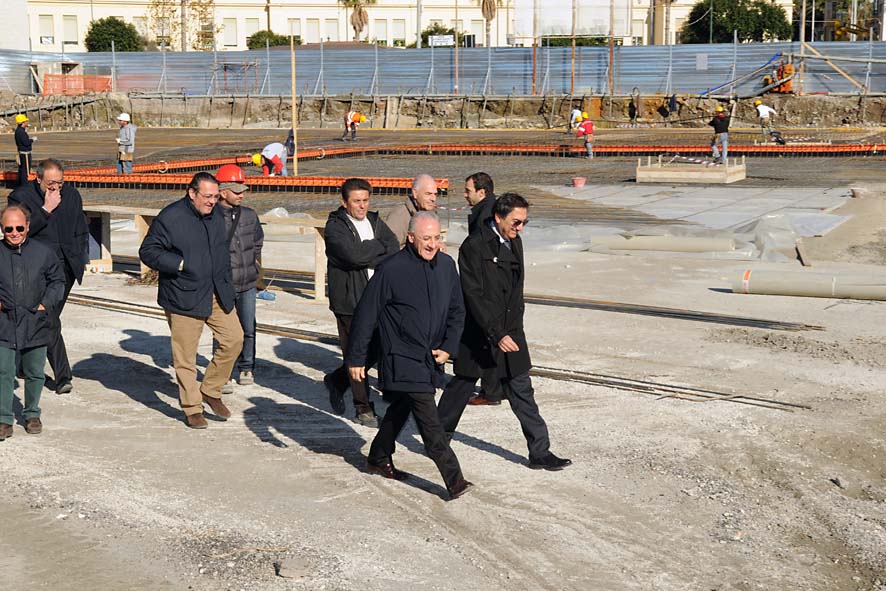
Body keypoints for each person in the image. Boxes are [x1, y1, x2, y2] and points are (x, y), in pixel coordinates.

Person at [437, 193, 572, 471]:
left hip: (511, 330)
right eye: (516, 222)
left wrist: (510, 330)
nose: (520, 228)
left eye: (524, 222)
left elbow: (514, 291)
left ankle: (540, 452)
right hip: (480, 332)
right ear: (498, 217)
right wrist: (495, 332)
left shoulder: (515, 241)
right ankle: (437, 440)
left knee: (522, 389)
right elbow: (473, 295)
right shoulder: (474, 246)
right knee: (461, 386)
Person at [346, 211, 473, 500]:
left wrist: (450, 346)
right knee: (430, 421)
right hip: (400, 355)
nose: (432, 244)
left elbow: (457, 311)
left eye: (437, 238)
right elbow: (366, 315)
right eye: (426, 238)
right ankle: (455, 481)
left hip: (430, 356)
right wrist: (356, 358)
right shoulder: (391, 269)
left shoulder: (445, 265)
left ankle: (378, 456)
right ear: (411, 237)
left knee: (401, 406)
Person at [139, 172, 244, 429]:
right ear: (192, 193)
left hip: (217, 291)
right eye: (207, 196)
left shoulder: (217, 214)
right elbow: (148, 251)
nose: (212, 201)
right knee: (185, 357)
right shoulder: (171, 217)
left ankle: (210, 389)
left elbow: (221, 253)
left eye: (215, 196)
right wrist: (181, 264)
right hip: (183, 294)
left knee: (234, 339)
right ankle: (192, 407)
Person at [8, 158, 89, 395]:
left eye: (60, 183)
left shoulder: (72, 195)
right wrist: (46, 209)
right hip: (35, 268)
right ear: (38, 178)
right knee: (46, 317)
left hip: (65, 267)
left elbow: (80, 227)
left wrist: (81, 256)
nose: (56, 188)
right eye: (51, 183)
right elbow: (19, 232)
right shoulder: (21, 197)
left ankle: (28, 365)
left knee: (44, 316)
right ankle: (63, 376)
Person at [323, 178, 399, 426]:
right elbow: (352, 256)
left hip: (377, 298)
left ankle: (337, 380)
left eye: (365, 200)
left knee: (376, 349)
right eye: (356, 201)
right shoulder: (335, 227)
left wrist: (369, 252)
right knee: (356, 353)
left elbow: (393, 248)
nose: (362, 206)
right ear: (344, 202)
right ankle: (363, 406)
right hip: (349, 301)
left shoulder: (375, 221)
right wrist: (375, 251)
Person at [0, 205, 64, 441]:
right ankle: (4, 419)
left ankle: (32, 414)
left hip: (35, 321)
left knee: (35, 371)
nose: (14, 232)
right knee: (3, 371)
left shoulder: (43, 252)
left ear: (27, 226)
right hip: (4, 323)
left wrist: (45, 304)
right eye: (8, 228)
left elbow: (57, 281)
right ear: (2, 229)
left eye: (19, 227)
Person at [215, 164, 264, 392]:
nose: (242, 194)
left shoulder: (249, 215)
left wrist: (254, 267)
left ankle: (246, 366)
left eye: (243, 190)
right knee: (223, 328)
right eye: (236, 191)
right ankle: (222, 371)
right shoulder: (211, 217)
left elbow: (257, 242)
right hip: (223, 283)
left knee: (248, 326)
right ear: (222, 191)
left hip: (247, 283)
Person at [462, 171, 503, 406]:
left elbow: (483, 252)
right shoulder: (491, 210)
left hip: (487, 285)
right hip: (493, 284)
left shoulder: (486, 214)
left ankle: (491, 391)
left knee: (488, 337)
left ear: (482, 192)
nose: (465, 195)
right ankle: (497, 386)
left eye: (468, 191)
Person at [385, 173, 439, 247]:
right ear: (415, 193)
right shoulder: (398, 216)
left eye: (435, 194)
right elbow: (389, 249)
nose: (433, 199)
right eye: (428, 194)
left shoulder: (433, 216)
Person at [14, 114, 35, 187]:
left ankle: (20, 185)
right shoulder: (21, 132)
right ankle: (24, 186)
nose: (27, 122)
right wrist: (32, 140)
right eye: (26, 121)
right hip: (25, 154)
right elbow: (26, 142)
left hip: (21, 153)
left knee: (22, 170)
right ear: (22, 122)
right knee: (25, 171)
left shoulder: (19, 131)